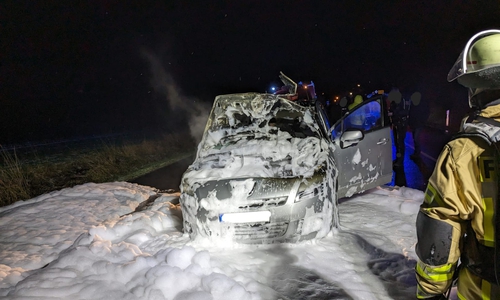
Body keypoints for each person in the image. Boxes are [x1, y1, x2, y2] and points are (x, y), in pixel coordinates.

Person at [415, 29, 500, 299]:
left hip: (484, 289)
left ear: (476, 89)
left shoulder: (463, 151)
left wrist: (431, 293)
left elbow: (438, 232)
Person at [388, 87, 410, 167]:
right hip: (396, 123)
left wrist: (393, 113)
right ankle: (398, 159)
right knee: (397, 143)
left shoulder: (402, 100)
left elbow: (405, 111)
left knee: (400, 143)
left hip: (401, 124)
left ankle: (400, 161)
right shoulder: (394, 101)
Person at [408, 91, 430, 160]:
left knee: (416, 138)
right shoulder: (413, 104)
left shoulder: (422, 104)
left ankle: (417, 153)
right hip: (414, 124)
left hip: (419, 124)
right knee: (415, 139)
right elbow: (411, 113)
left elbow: (426, 112)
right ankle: (416, 152)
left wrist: (423, 121)